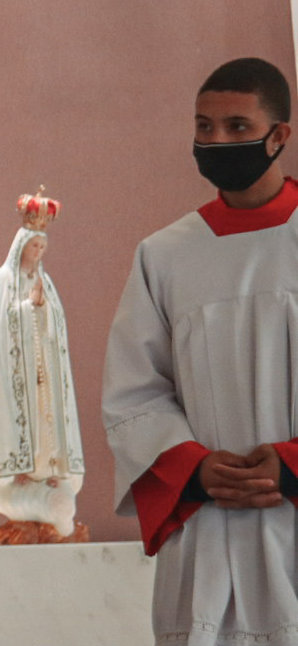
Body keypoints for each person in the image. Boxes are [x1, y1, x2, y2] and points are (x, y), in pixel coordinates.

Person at [103, 56, 298, 645]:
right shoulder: (165, 255)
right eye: (204, 127)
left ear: (279, 136)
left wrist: (291, 463)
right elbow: (134, 391)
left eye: (238, 127)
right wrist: (192, 465)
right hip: (211, 526)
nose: (217, 141)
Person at [0, 191, 87, 542]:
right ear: (21, 245)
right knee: (25, 418)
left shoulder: (44, 280)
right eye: (33, 246)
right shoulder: (4, 278)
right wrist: (29, 308)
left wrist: (43, 308)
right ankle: (22, 470)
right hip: (19, 370)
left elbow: (56, 321)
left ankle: (49, 469)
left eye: (42, 247)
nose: (38, 253)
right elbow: (6, 323)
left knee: (47, 418)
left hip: (44, 369)